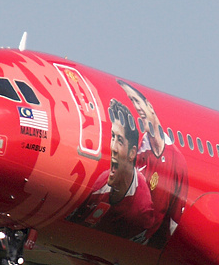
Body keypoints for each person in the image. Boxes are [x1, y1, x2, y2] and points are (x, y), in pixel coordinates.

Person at [67, 99, 160, 244]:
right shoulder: (104, 180)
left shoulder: (142, 211)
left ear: (132, 153)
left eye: (120, 141)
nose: (113, 148)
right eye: (113, 137)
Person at [118, 80, 188, 247]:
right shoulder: (138, 156)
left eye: (136, 101)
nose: (136, 107)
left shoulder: (177, 161)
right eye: (131, 101)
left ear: (149, 105)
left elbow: (175, 219)